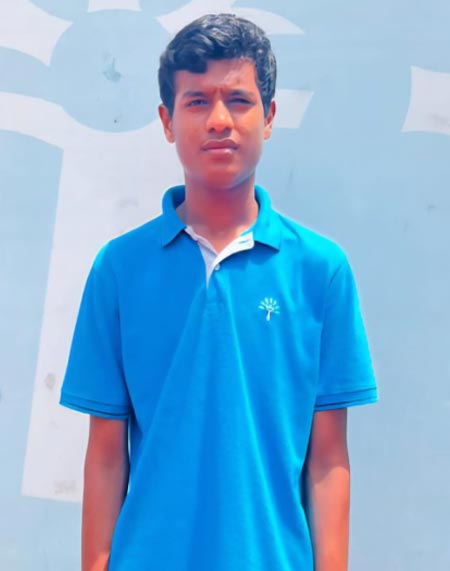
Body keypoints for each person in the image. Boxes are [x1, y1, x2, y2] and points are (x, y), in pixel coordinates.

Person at [60, 13, 378, 571]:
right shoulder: (120, 269)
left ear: (269, 116)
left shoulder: (320, 270)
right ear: (167, 120)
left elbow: (328, 460)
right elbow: (106, 457)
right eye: (197, 101)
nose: (219, 120)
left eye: (239, 100)